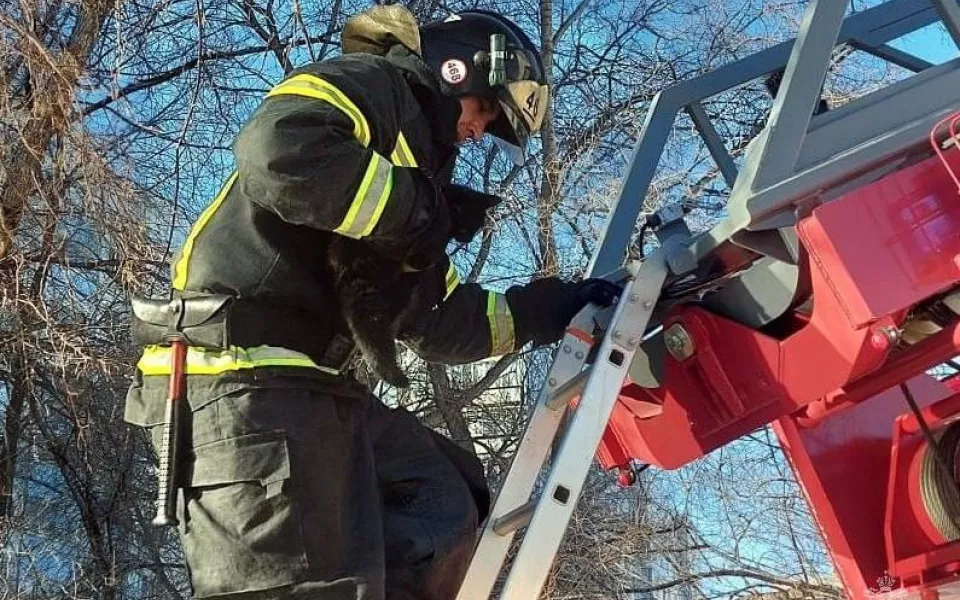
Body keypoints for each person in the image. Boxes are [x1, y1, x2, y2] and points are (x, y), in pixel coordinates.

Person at [124, 6, 621, 599]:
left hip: (313, 389)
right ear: (459, 68)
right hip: (239, 380)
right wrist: (410, 211)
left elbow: (435, 319)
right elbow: (280, 151)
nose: (477, 132)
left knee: (444, 501)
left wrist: (551, 310)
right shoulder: (374, 85)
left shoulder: (417, 164)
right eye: (486, 111)